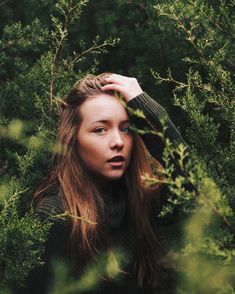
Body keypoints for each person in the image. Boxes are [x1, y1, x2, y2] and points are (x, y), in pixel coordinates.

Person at [22, 73, 187, 293]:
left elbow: (195, 189)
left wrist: (147, 107)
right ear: (73, 141)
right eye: (100, 129)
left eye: (126, 128)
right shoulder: (57, 218)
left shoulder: (140, 200)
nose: (118, 142)